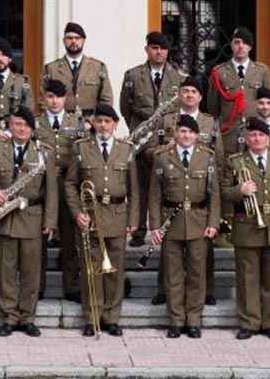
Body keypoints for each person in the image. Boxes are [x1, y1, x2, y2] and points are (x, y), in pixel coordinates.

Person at [0, 107, 57, 337]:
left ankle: (27, 317)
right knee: (5, 271)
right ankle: (9, 316)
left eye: (25, 125)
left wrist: (50, 222)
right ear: (10, 126)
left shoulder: (45, 152)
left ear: (32, 129)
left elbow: (51, 190)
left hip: (32, 217)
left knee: (31, 272)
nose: (21, 129)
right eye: (16, 124)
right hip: (4, 218)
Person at [147, 76, 223, 306]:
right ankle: (165, 290)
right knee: (170, 250)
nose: (189, 95)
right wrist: (171, 147)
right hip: (172, 185)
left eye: (194, 91)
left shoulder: (210, 123)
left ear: (200, 96)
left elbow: (217, 157)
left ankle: (205, 291)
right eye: (185, 91)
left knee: (201, 251)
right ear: (179, 94)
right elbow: (151, 150)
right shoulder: (166, 120)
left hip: (200, 189)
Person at [64, 104, 139, 337]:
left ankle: (112, 318)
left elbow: (134, 190)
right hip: (91, 215)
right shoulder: (81, 148)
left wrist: (133, 219)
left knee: (114, 271)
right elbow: (69, 184)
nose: (103, 125)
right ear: (94, 124)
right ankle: (92, 317)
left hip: (117, 215)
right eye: (100, 121)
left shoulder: (126, 149)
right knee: (91, 270)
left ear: (115, 125)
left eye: (108, 121)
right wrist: (77, 213)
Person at [221, 117, 270, 341]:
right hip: (247, 224)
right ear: (247, 138)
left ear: (268, 137)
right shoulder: (235, 162)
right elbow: (223, 191)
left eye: (261, 135)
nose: (257, 138)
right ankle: (249, 322)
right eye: (253, 135)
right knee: (247, 277)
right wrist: (239, 191)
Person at [119, 31, 186, 248]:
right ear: (147, 49)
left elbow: (181, 110)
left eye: (163, 49)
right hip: (142, 140)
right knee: (139, 186)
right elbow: (125, 108)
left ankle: (167, 228)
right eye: (155, 48)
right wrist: (139, 129)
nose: (159, 52)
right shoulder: (133, 76)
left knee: (168, 186)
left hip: (167, 141)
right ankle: (138, 230)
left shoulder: (178, 77)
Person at [35, 79, 85, 302]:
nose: (54, 101)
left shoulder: (77, 122)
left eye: (58, 97)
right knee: (38, 242)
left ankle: (72, 286)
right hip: (41, 187)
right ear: (44, 99)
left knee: (70, 239)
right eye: (50, 97)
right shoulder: (35, 123)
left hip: (67, 186)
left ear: (66, 98)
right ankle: (38, 286)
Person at [207, 26, 270, 155]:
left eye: (245, 43)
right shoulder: (219, 72)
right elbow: (213, 108)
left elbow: (269, 104)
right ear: (231, 45)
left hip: (255, 135)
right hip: (228, 136)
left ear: (250, 47)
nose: (240, 46)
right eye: (237, 42)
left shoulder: (261, 71)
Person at [40, 22, 113, 113]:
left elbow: (106, 100)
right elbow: (43, 100)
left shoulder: (98, 67)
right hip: (61, 123)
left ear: (83, 41)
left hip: (90, 123)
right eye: (69, 38)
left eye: (77, 38)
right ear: (64, 41)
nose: (73, 41)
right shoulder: (51, 69)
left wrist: (92, 122)